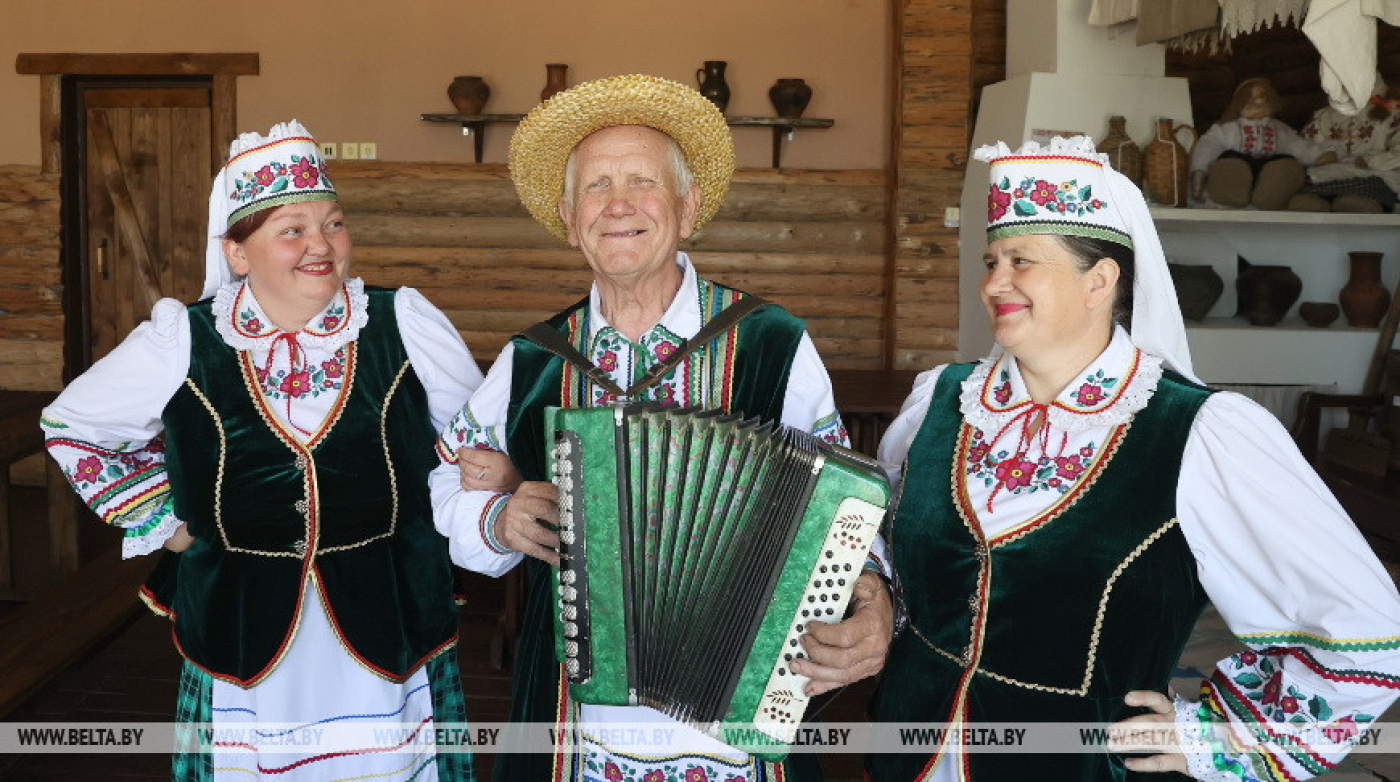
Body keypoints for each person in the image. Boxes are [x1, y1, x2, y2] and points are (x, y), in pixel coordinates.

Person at [868, 135, 1400, 780]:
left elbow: (1366, 628)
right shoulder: (940, 400)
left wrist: (1220, 738)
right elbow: (884, 544)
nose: (993, 283)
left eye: (1021, 261)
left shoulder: (1201, 432)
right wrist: (872, 599)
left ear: (1099, 281)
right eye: (991, 261)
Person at [430, 74, 895, 782]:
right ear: (567, 212)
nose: (617, 205)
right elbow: (446, 477)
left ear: (688, 204)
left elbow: (848, 508)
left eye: (642, 181)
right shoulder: (532, 357)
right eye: (596, 186)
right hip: (576, 720)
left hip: (740, 713)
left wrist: (873, 593)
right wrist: (497, 517)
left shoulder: (770, 341)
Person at [41, 120, 504, 780]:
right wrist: (163, 521)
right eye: (293, 229)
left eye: (334, 224)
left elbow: (477, 441)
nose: (322, 245)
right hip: (241, 623)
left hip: (387, 611)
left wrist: (483, 484)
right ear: (238, 253)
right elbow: (73, 423)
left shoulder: (402, 321)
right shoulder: (184, 340)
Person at [1189, 77, 1338, 209]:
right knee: (1230, 161)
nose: (1259, 102)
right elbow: (1209, 146)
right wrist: (1200, 170)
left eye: (1263, 98)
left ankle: (1271, 196)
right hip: (1238, 168)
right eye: (1251, 100)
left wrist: (1319, 155)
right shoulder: (1226, 128)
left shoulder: (1280, 129)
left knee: (1286, 165)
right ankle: (1230, 191)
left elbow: (1298, 147)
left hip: (1269, 171)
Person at [1293, 74, 1400, 213]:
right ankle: (1318, 201)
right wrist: (1320, 156)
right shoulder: (1324, 115)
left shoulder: (1391, 114)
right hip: (1332, 171)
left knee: (1370, 184)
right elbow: (1305, 145)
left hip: (1373, 173)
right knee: (1314, 179)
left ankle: (1359, 203)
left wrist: (1371, 161)